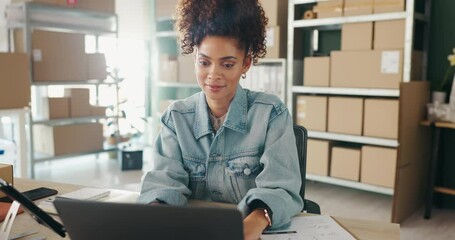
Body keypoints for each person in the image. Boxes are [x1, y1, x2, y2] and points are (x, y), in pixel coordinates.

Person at [138, 0, 303, 239]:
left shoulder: (271, 113)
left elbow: (281, 189)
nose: (213, 75)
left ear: (246, 63)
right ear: (195, 57)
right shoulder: (175, 118)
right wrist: (156, 215)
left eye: (227, 64)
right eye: (204, 62)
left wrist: (254, 222)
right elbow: (164, 183)